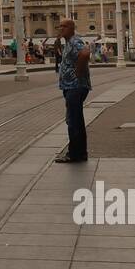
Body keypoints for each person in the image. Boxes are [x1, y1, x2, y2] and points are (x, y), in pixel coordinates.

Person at [53, 18, 91, 164]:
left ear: (71, 28)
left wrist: (78, 71)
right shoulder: (68, 42)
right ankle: (81, 153)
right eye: (60, 26)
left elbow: (85, 53)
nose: (61, 28)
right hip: (72, 87)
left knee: (73, 121)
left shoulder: (75, 41)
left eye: (64, 26)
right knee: (77, 121)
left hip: (75, 87)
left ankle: (74, 154)